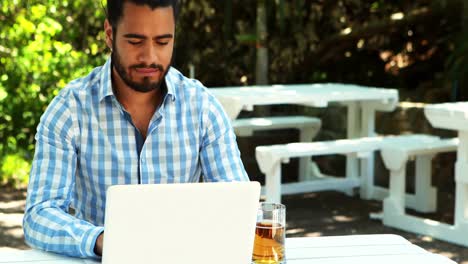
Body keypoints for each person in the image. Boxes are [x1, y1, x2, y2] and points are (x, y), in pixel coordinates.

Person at [22, 0, 248, 259]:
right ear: (110, 34)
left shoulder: (202, 106)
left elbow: (238, 205)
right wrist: (102, 240)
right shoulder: (70, 109)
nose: (150, 57)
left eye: (163, 42)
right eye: (135, 41)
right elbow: (39, 215)